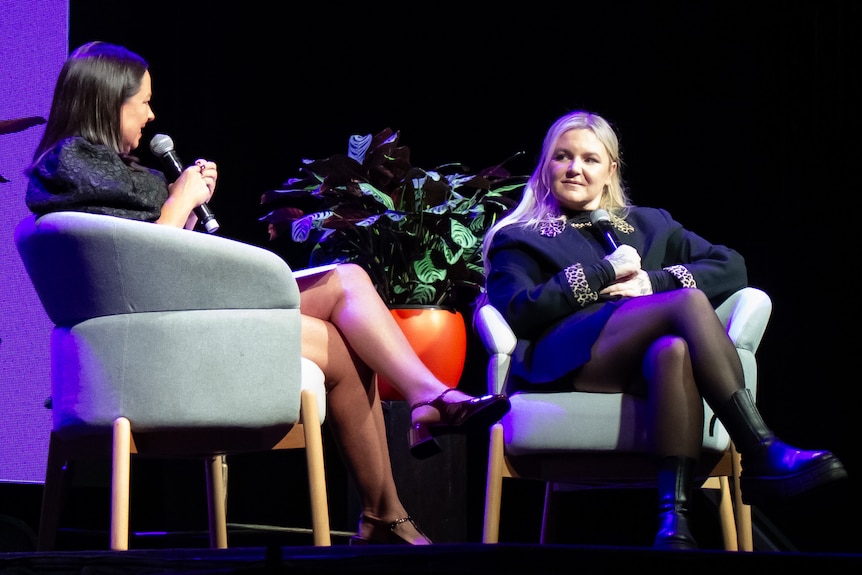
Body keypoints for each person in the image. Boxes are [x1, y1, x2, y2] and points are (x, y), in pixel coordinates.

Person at [25, 41, 511, 546]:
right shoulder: (70, 163)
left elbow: (149, 258)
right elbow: (142, 278)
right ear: (108, 100)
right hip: (155, 338)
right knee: (339, 313)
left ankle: (405, 461)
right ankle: (399, 476)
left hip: (180, 318)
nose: (151, 114)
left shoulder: (109, 171)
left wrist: (183, 213)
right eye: (142, 101)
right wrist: (179, 202)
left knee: (346, 287)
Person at [480, 109, 847, 550]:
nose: (575, 168)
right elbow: (518, 309)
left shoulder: (650, 223)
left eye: (589, 159)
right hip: (569, 358)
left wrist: (652, 283)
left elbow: (731, 266)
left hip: (642, 363)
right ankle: (760, 448)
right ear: (546, 165)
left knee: (672, 349)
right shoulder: (521, 235)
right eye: (562, 157)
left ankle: (675, 522)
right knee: (687, 302)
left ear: (610, 169)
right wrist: (602, 273)